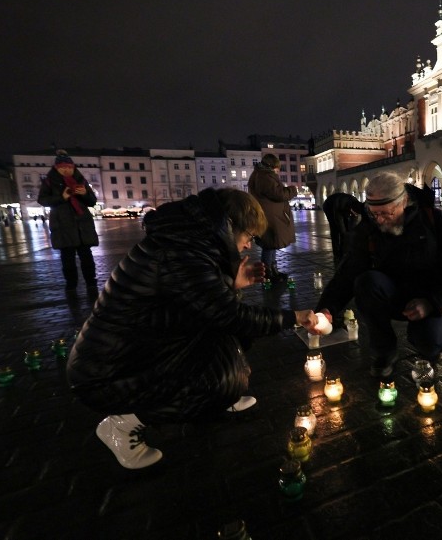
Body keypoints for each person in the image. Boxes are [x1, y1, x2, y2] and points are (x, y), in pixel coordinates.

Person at [66, 187, 320, 470]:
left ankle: (222, 396)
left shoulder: (189, 245)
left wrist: (230, 285)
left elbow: (204, 309)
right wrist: (295, 317)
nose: (249, 245)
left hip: (140, 347)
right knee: (223, 382)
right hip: (107, 371)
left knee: (228, 352)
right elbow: (229, 316)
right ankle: (123, 425)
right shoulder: (182, 254)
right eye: (248, 236)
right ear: (228, 226)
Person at [315, 172, 442, 378]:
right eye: (374, 213)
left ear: (404, 201)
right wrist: (327, 308)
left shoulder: (436, 222)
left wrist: (433, 302)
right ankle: (385, 351)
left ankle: (429, 351)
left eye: (386, 213)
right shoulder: (369, 228)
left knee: (430, 341)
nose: (379, 219)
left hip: (431, 296)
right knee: (366, 282)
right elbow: (348, 272)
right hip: (391, 294)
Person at [37, 150, 99, 290]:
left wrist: (85, 194)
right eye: (63, 167)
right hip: (63, 225)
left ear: (73, 167)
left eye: (69, 167)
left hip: (82, 225)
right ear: (56, 168)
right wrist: (62, 197)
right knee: (67, 258)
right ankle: (71, 284)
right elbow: (42, 200)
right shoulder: (49, 181)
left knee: (86, 256)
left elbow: (92, 201)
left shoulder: (81, 180)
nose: (66, 170)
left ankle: (91, 281)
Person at [248, 153, 297, 282]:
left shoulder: (260, 174)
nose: (278, 170)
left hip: (269, 214)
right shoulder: (264, 176)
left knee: (271, 244)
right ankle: (268, 274)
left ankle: (273, 271)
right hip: (270, 217)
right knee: (269, 245)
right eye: (277, 167)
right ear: (271, 165)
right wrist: (292, 190)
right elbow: (278, 194)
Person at [322, 192, 365, 263]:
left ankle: (344, 251)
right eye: (353, 213)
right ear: (351, 210)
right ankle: (337, 254)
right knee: (336, 230)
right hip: (330, 207)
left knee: (347, 231)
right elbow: (340, 224)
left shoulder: (356, 204)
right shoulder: (340, 205)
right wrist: (345, 234)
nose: (355, 215)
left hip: (344, 207)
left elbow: (353, 227)